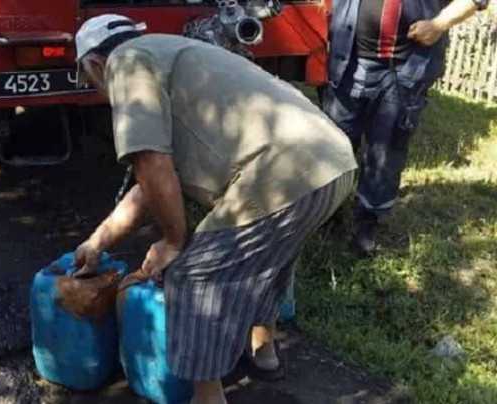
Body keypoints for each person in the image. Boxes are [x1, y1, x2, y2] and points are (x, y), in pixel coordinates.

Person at [71, 14, 357, 404]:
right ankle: (264, 352)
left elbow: (152, 163)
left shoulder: (126, 62)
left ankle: (207, 398)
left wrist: (173, 242)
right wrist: (97, 242)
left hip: (285, 172)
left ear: (95, 64)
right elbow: (148, 185)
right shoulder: (170, 51)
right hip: (332, 161)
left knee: (194, 276)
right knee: (270, 255)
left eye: (92, 84)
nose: (100, 94)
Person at [323, 0, 490, 256]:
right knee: (334, 145)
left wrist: (438, 24)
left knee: (386, 152)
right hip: (346, 62)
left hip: (404, 69)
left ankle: (367, 225)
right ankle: (327, 214)